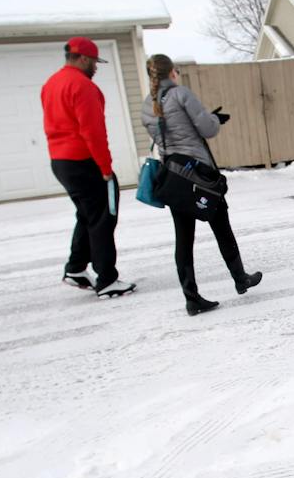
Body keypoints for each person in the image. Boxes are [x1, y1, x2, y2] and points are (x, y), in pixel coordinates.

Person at [141, 54, 262, 316]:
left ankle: (191, 297)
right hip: (199, 174)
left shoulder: (146, 106)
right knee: (221, 225)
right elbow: (207, 129)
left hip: (174, 177)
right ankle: (241, 279)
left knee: (183, 238)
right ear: (171, 73)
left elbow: (169, 136)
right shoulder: (181, 94)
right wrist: (216, 119)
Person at [40, 37, 134, 298]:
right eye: (94, 62)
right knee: (103, 218)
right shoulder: (82, 87)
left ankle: (76, 268)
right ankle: (107, 280)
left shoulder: (51, 84)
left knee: (87, 214)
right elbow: (93, 131)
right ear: (82, 58)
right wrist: (105, 168)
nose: (95, 67)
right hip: (84, 161)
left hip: (60, 162)